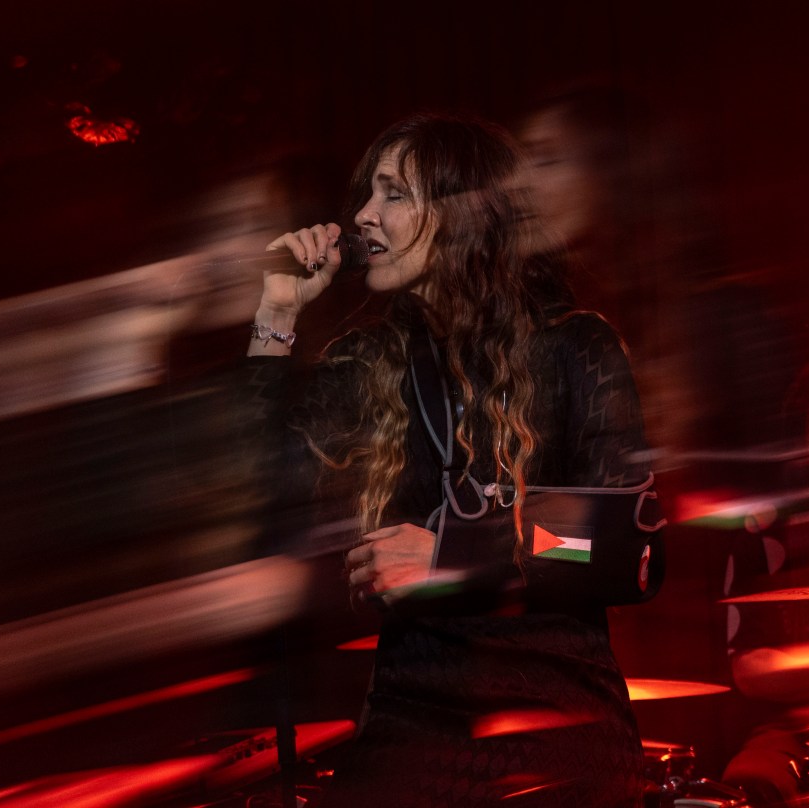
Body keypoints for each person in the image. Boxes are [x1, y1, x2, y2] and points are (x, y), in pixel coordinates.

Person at [242, 113, 661, 806]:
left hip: (558, 716)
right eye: (368, 194)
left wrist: (453, 553)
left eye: (394, 194)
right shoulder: (370, 362)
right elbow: (260, 494)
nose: (363, 215)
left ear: (464, 214)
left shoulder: (574, 348)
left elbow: (624, 552)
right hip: (413, 719)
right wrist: (277, 316)